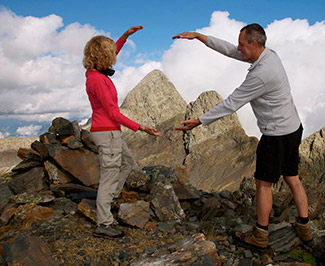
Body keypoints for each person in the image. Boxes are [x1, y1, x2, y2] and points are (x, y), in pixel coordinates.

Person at [173, 24, 312, 251]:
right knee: (292, 177)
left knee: (263, 185)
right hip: (293, 128)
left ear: (254, 44)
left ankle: (260, 235)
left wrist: (200, 120)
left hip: (275, 135)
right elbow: (231, 50)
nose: (239, 48)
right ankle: (305, 229)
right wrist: (201, 37)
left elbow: (232, 103)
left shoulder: (261, 75)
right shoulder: (269, 55)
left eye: (242, 44)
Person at [83, 26, 161, 238]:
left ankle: (108, 200)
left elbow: (111, 52)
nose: (113, 59)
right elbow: (113, 113)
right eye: (109, 55)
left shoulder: (94, 70)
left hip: (110, 132)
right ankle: (104, 223)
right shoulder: (98, 80)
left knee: (126, 162)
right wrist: (140, 127)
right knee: (109, 176)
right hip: (107, 132)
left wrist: (125, 37)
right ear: (102, 57)